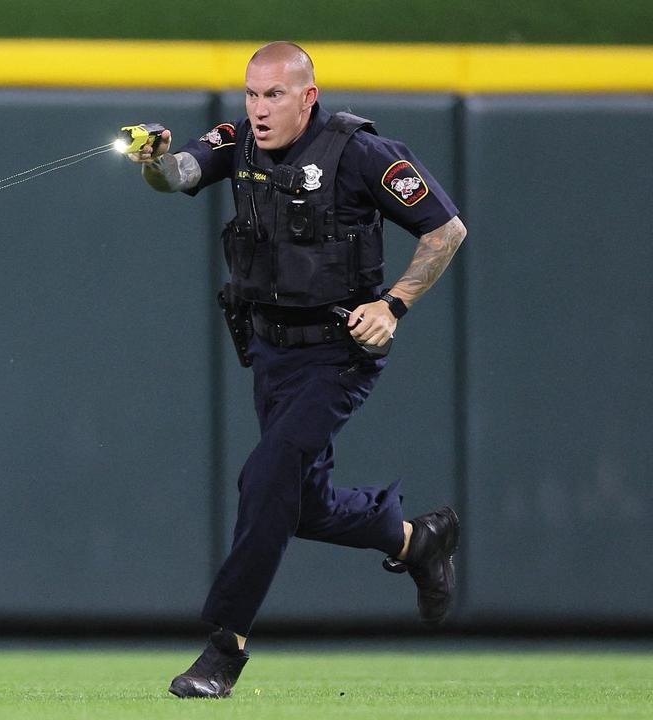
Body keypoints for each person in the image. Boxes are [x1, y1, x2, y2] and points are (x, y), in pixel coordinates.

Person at [128, 42, 465, 699]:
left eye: (274, 95)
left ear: (308, 97)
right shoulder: (239, 141)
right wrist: (152, 162)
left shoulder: (359, 152)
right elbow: (177, 176)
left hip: (339, 353)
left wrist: (392, 304)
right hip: (273, 354)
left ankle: (223, 650)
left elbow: (445, 229)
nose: (258, 108)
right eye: (251, 94)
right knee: (297, 502)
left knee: (265, 479)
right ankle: (416, 541)